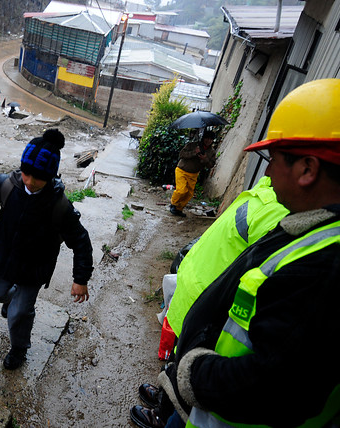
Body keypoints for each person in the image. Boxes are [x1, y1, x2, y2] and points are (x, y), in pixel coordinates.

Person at [135, 78, 340, 428]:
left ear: (308, 169)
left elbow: (274, 384)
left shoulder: (320, 268)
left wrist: (196, 373)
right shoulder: (305, 227)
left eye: (273, 159)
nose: (267, 171)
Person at [134, 176, 289, 427]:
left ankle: (162, 415)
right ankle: (165, 398)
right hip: (201, 291)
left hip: (207, 295)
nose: (269, 165)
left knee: (191, 363)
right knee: (182, 357)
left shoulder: (273, 208)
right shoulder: (268, 193)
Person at [0, 129, 94, 370]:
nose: (29, 181)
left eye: (37, 178)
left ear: (50, 176)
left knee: (20, 313)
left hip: (34, 269)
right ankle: (11, 301)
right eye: (26, 173)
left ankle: (19, 348)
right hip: (3, 257)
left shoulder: (60, 206)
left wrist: (80, 279)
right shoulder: (7, 185)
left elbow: (81, 240)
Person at [169, 130, 216, 217]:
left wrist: (205, 159)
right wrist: (194, 152)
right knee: (182, 190)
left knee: (189, 194)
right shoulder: (193, 145)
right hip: (182, 170)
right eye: (207, 138)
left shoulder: (212, 152)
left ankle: (178, 209)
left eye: (211, 139)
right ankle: (173, 204)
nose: (208, 141)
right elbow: (182, 154)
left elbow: (211, 165)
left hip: (194, 174)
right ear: (203, 138)